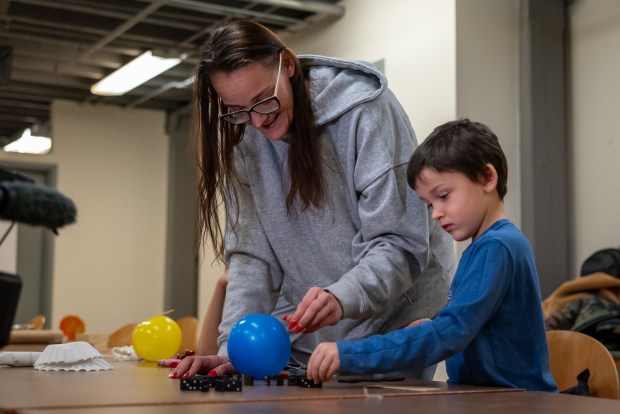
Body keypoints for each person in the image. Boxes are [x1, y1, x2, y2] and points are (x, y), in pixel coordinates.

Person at [170, 20, 455, 379]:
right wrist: (234, 352)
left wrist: (341, 297)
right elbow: (252, 258)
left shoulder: (364, 109)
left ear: (288, 66)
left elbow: (399, 242)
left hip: (396, 320)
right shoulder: (246, 135)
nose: (257, 122)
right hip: (319, 329)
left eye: (263, 100)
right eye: (238, 109)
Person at [306, 119, 558, 392]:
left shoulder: (496, 247)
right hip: (486, 398)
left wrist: (350, 355)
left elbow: (451, 334)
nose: (436, 213)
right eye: (429, 204)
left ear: (487, 178)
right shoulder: (490, 245)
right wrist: (435, 324)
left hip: (517, 403)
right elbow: (477, 325)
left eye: (444, 196)